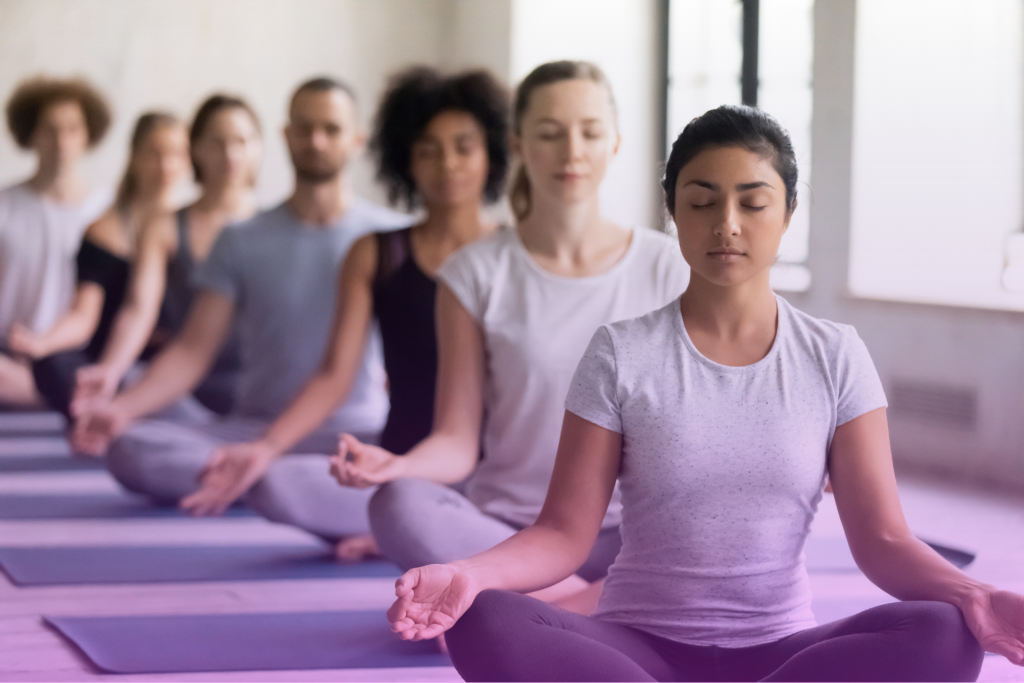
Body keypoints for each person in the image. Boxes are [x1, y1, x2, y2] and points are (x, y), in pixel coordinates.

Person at [380, 105, 1024, 682]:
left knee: (946, 634)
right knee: (484, 620)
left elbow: (883, 541)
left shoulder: (836, 355)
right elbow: (563, 534)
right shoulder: (620, 352)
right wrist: (471, 574)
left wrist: (973, 594)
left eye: (753, 201)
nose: (727, 225)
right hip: (634, 651)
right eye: (702, 200)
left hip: (782, 656)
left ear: (788, 213)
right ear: (673, 211)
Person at [331, 60, 688, 606]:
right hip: (509, 534)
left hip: (630, 537)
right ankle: (587, 606)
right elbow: (456, 439)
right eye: (550, 134)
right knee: (397, 503)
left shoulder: (668, 267)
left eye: (589, 132)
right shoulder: (473, 273)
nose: (572, 151)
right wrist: (396, 465)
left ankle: (530, 605)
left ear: (614, 142)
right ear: (518, 144)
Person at [177, 67, 511, 559]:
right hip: (398, 472)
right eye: (428, 150)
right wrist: (266, 447)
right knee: (277, 482)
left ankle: (435, 535)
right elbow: (335, 375)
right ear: (405, 160)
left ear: (491, 154)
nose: (448, 165)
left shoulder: (514, 251)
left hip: (498, 477)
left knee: (453, 512)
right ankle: (422, 531)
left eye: (464, 147)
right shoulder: (376, 252)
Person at [71, 77, 409, 541]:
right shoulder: (242, 239)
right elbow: (192, 350)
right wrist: (120, 409)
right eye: (304, 128)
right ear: (285, 136)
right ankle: (272, 481)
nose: (316, 140)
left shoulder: (390, 236)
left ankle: (268, 479)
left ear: (356, 139)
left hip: (354, 435)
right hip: (253, 427)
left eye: (330, 129)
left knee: (396, 475)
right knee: (130, 449)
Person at [70, 94, 263, 419]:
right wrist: (110, 368)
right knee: (127, 421)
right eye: (217, 143)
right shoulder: (165, 226)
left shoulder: (273, 227)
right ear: (195, 149)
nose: (231, 154)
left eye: (242, 141)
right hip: (178, 386)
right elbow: (138, 309)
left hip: (257, 384)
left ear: (259, 147)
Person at [9, 112, 190, 418]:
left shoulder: (192, 229)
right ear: (133, 157)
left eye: (176, 154)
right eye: (155, 154)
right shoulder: (105, 229)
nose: (166, 165)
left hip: (168, 364)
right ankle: (105, 398)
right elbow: (84, 316)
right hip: (111, 360)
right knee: (55, 367)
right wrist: (42, 343)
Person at [0, 77, 112, 408]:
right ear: (31, 134)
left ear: (88, 134)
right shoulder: (6, 205)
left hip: (72, 355)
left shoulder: (106, 211)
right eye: (50, 129)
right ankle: (53, 397)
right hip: (9, 349)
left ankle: (51, 393)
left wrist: (44, 344)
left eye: (73, 129)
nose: (62, 141)